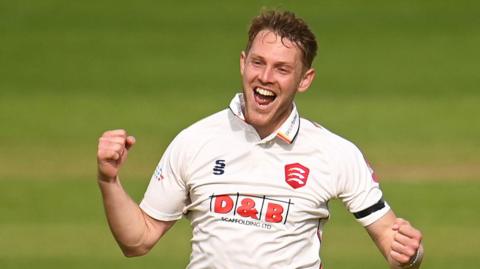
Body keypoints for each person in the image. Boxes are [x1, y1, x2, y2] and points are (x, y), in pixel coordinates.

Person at [97, 9, 423, 269]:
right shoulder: (195, 141)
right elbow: (137, 240)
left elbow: (392, 242)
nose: (265, 77)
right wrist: (109, 180)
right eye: (258, 62)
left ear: (304, 79)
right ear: (243, 63)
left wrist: (410, 255)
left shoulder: (335, 153)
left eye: (282, 69)